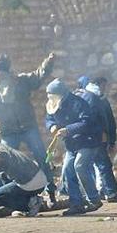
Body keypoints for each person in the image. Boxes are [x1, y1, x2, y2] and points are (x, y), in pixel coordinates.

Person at [0, 53, 57, 203]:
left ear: (9, 71)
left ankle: (51, 192)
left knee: (42, 158)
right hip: (8, 130)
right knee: (2, 158)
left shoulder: (20, 81)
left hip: (27, 127)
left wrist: (48, 62)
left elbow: (38, 75)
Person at [45, 78, 103, 216]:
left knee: (80, 166)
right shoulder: (53, 103)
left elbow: (87, 122)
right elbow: (49, 118)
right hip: (71, 144)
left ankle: (94, 199)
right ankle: (76, 203)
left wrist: (68, 130)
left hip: (87, 141)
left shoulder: (78, 103)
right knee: (67, 171)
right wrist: (51, 126)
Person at [86, 77, 117, 202]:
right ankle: (110, 192)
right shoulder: (91, 98)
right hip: (96, 137)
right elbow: (93, 120)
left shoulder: (101, 99)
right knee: (103, 164)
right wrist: (102, 134)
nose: (106, 88)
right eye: (104, 85)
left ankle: (104, 190)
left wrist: (112, 139)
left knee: (101, 164)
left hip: (99, 137)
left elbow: (110, 120)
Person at [0, 139, 44, 217]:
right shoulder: (8, 150)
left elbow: (2, 156)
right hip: (40, 180)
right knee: (3, 176)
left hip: (30, 182)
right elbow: (9, 162)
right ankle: (28, 200)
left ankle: (30, 203)